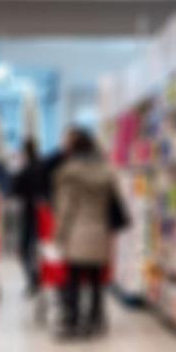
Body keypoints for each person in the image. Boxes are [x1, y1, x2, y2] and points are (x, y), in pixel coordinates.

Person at [51, 127, 123, 340]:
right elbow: (114, 202)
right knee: (95, 278)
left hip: (77, 230)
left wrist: (59, 235)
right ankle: (95, 320)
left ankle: (73, 321)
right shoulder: (107, 171)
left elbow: (66, 208)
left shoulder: (69, 173)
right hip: (100, 230)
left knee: (73, 277)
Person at [6, 137, 53, 296]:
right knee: (45, 247)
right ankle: (45, 277)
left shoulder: (24, 171)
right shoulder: (45, 167)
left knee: (26, 249)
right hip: (46, 213)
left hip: (28, 213)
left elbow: (14, 190)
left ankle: (33, 280)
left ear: (25, 152)